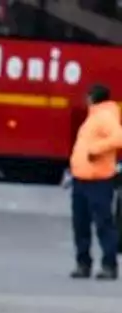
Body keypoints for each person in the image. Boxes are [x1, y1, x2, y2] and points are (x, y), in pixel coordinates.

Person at [68, 84, 122, 280]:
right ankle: (83, 263)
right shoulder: (94, 116)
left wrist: (96, 150)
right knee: (80, 224)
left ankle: (109, 265)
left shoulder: (105, 117)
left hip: (98, 180)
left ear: (93, 97)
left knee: (103, 224)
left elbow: (119, 137)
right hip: (82, 178)